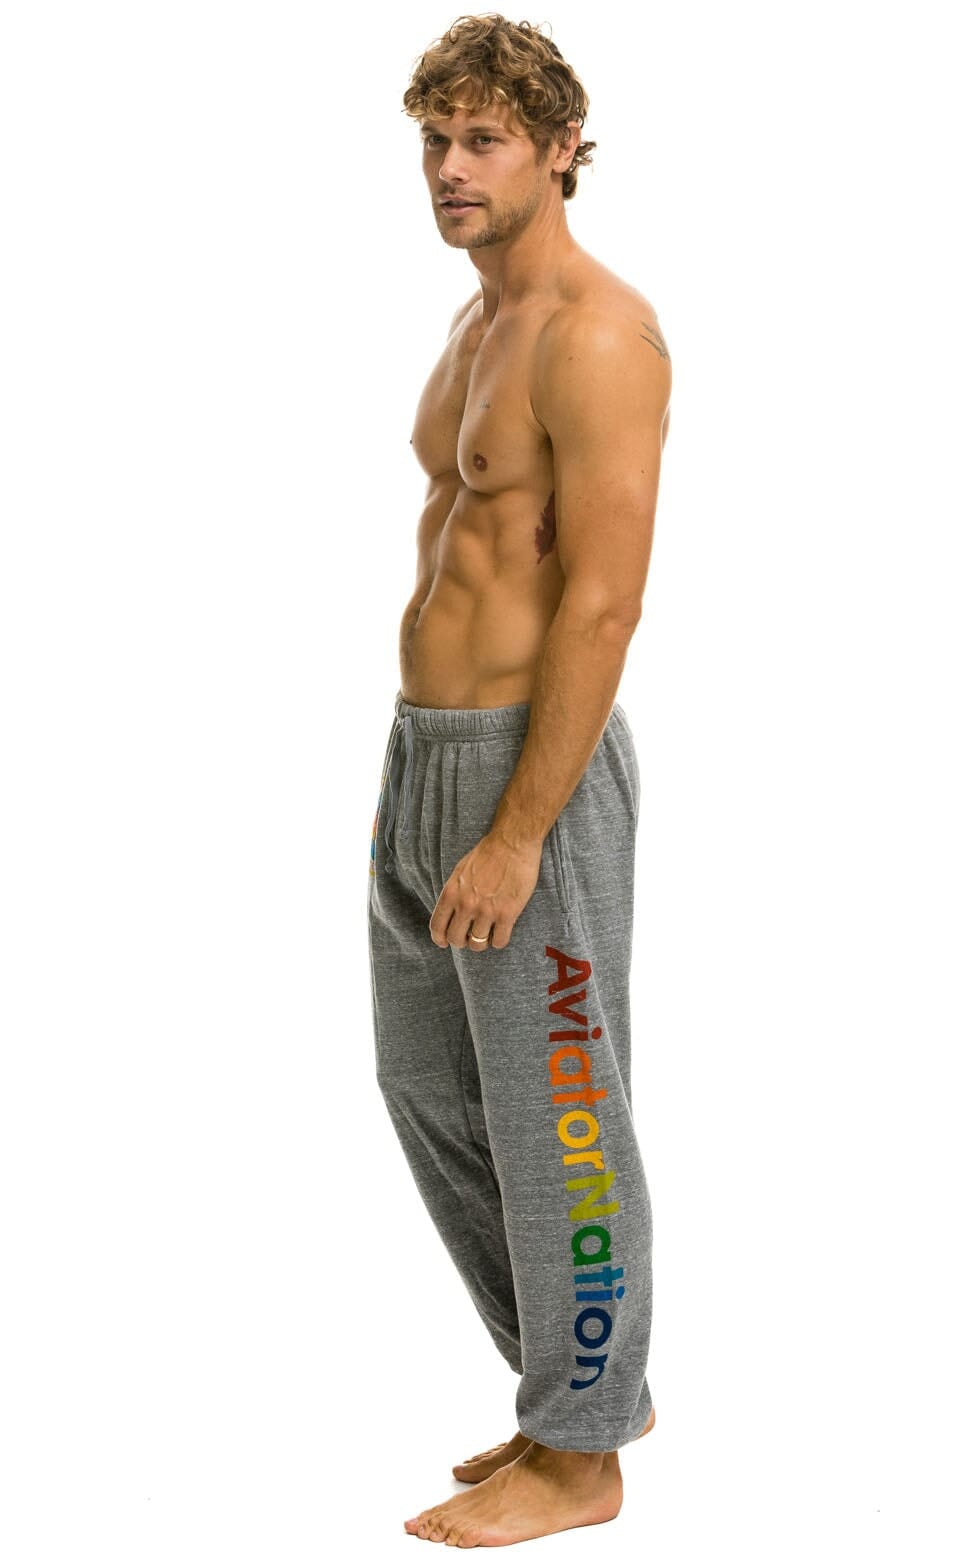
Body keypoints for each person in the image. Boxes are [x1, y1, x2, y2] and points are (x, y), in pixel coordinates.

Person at [368, 14, 670, 1546]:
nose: (450, 167)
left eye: (483, 138)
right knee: (428, 1087)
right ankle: (582, 1382)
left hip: (523, 774)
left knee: (560, 1112)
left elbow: (604, 605)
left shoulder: (597, 336)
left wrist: (519, 830)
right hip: (424, 756)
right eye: (436, 139)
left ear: (561, 147)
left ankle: (583, 1449)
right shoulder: (472, 325)